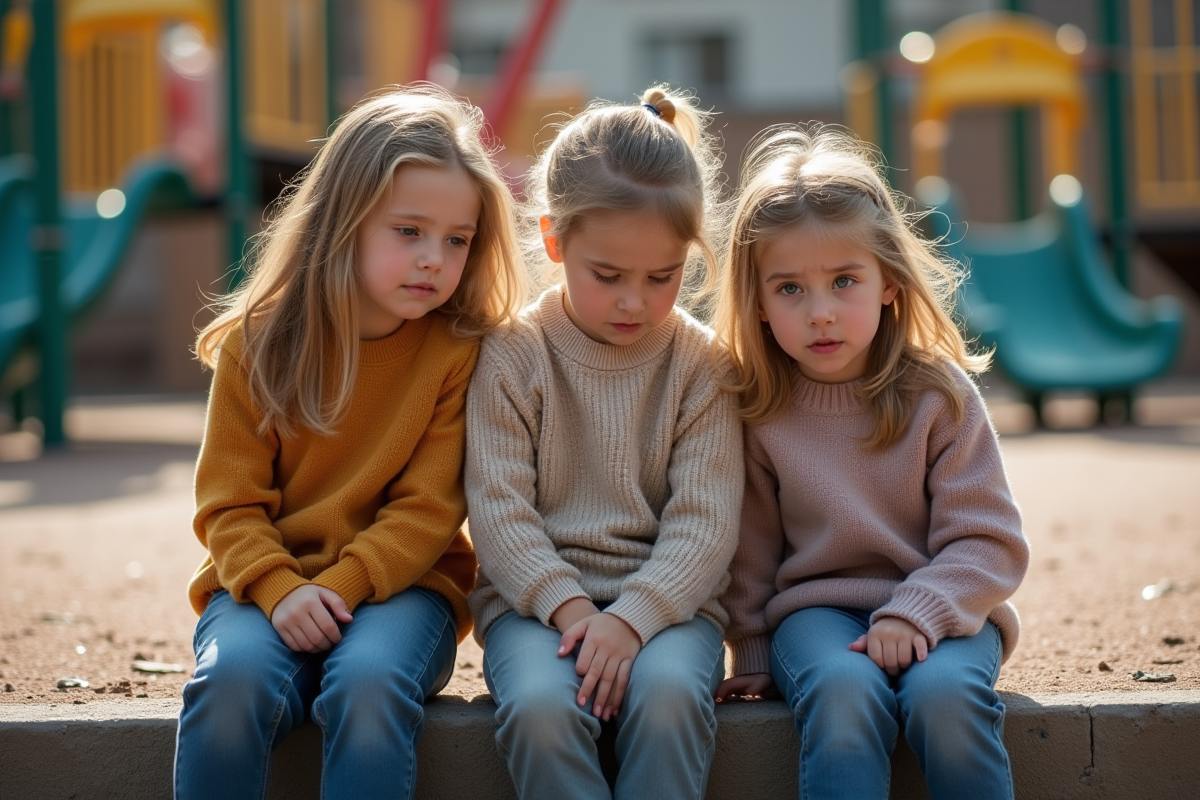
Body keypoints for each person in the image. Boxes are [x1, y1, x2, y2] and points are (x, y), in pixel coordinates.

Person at [174, 85, 527, 800]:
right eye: (409, 231)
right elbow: (228, 505)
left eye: (456, 240)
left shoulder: (460, 353)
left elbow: (429, 511)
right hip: (261, 587)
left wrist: (338, 589)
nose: (434, 259)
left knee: (366, 685)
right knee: (231, 684)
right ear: (344, 221)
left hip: (407, 590)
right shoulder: (257, 347)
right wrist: (281, 591)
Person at [713, 124, 1029, 800]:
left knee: (945, 699)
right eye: (790, 289)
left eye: (844, 281)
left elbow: (989, 540)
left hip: (945, 611)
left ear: (888, 280)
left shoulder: (938, 395)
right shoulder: (757, 408)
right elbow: (750, 548)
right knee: (843, 696)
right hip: (816, 617)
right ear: (759, 302)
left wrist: (915, 612)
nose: (820, 313)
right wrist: (754, 649)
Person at [465, 86, 743, 800]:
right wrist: (575, 612)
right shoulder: (514, 355)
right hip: (536, 610)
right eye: (608, 276)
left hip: (671, 609)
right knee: (541, 710)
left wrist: (632, 619)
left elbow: (706, 521)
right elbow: (498, 511)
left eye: (662, 277)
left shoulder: (701, 364)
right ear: (555, 241)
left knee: (671, 701)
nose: (634, 301)